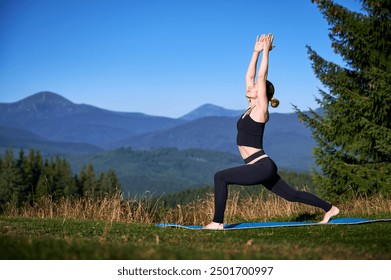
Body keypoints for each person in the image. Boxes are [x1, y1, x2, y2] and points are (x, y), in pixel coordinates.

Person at [204, 34, 339, 230]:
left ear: (262, 93)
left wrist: (266, 52)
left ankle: (217, 222)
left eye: (254, 87)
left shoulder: (261, 111)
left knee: (220, 177)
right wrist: (255, 52)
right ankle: (330, 208)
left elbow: (260, 77)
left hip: (261, 166)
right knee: (292, 195)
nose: (250, 86)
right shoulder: (250, 108)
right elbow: (249, 76)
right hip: (259, 166)